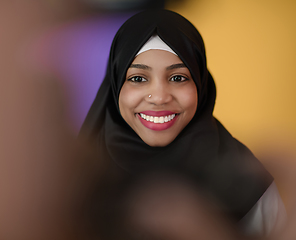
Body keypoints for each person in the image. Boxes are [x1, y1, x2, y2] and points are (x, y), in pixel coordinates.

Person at [79, 9, 286, 236]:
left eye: (178, 78)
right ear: (116, 84)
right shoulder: (75, 176)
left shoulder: (245, 177)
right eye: (138, 78)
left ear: (200, 84)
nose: (159, 97)